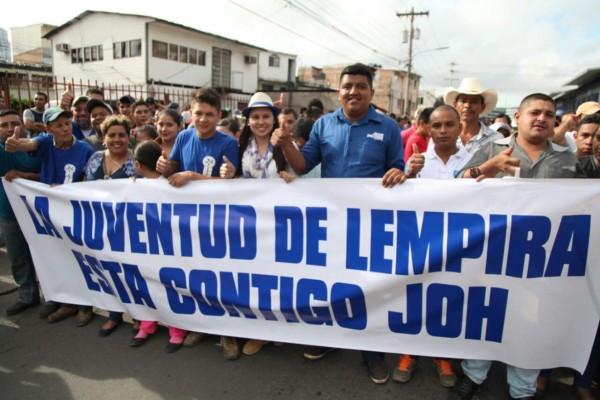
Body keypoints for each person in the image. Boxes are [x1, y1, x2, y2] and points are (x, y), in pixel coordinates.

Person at [271, 63, 406, 384]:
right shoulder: (324, 126)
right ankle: (328, 340)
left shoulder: (387, 127)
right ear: (339, 91)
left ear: (371, 92)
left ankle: (372, 352)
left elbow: (398, 169)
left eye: (361, 86)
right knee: (330, 282)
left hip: (372, 223)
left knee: (370, 287)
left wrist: (400, 173)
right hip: (332, 222)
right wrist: (287, 141)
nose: (353, 91)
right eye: (348, 86)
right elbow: (303, 165)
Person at [453, 93, 585, 400]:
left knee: (532, 322)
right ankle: (474, 375)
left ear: (555, 121)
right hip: (492, 253)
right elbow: (458, 183)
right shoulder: (492, 148)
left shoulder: (565, 156)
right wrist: (489, 167)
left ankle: (522, 388)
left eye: (548, 114)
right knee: (485, 314)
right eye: (534, 112)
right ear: (517, 118)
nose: (541, 118)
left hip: (541, 257)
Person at [156, 88, 239, 359]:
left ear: (219, 116)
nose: (203, 119)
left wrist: (194, 175)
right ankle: (201, 325)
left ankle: (228, 332)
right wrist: (163, 166)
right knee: (196, 274)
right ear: (190, 113)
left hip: (218, 222)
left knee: (223, 275)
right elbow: (173, 170)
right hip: (187, 220)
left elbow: (230, 183)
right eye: (199, 113)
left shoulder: (227, 144)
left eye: (210, 115)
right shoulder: (183, 136)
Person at [393, 105, 471, 389]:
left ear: (459, 127)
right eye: (436, 125)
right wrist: (409, 175)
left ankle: (443, 356)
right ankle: (409, 352)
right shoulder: (418, 161)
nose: (442, 131)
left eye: (449, 125)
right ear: (428, 127)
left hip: (459, 244)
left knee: (448, 299)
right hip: (422, 242)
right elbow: (403, 202)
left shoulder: (473, 159)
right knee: (415, 296)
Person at [5, 107, 95, 325]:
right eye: (58, 125)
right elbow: (30, 144)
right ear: (48, 129)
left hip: (74, 213)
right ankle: (65, 302)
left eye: (67, 123)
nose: (65, 128)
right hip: (48, 213)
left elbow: (92, 182)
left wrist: (66, 191)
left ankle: (85, 306)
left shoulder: (85, 149)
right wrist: (17, 145)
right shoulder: (45, 143)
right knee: (55, 256)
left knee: (77, 258)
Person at [220, 92, 294, 355]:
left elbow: (300, 172)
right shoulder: (238, 146)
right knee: (252, 279)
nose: (261, 121)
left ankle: (275, 328)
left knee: (277, 280)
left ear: (273, 120)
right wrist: (229, 174)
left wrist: (289, 176)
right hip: (248, 225)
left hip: (278, 226)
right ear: (248, 120)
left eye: (266, 116)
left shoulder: (284, 144)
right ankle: (255, 330)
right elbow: (234, 178)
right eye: (255, 117)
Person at [0, 111, 41, 316]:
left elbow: (47, 175)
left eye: (14, 123)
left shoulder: (36, 147)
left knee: (47, 254)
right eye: (4, 125)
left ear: (23, 125)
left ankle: (57, 296)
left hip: (40, 213)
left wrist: (25, 176)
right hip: (9, 213)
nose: (9, 128)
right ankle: (28, 295)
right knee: (18, 257)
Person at [444, 77, 502, 155]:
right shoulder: (443, 135)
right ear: (455, 105)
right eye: (463, 101)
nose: (468, 105)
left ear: (482, 107)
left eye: (474, 101)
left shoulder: (495, 139)